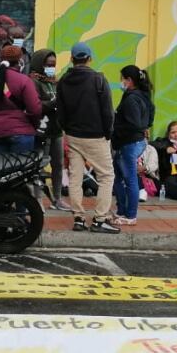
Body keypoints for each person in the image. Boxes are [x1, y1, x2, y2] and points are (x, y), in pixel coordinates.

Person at [57, 42, 118, 234]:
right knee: (106, 176)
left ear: (71, 59)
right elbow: (108, 111)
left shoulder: (64, 80)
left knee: (75, 177)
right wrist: (108, 133)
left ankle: (79, 218)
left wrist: (67, 130)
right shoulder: (99, 79)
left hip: (73, 136)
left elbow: (61, 112)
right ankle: (100, 219)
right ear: (89, 58)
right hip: (96, 136)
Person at [0, 45, 41, 155]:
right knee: (22, 170)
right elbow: (35, 109)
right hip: (22, 132)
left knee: (1, 170)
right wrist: (33, 124)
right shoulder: (24, 80)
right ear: (20, 60)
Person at [111, 65, 154, 225]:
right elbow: (150, 115)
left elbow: (133, 123)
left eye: (122, 79)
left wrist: (116, 127)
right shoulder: (143, 95)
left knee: (129, 179)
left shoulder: (131, 99)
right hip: (132, 142)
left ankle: (130, 215)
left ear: (129, 80)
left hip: (128, 143)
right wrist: (145, 127)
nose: (121, 82)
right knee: (120, 178)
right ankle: (122, 211)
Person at [30, 49, 66, 210]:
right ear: (39, 64)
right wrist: (54, 103)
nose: (51, 68)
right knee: (39, 166)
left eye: (54, 65)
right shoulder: (33, 82)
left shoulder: (54, 82)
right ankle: (37, 199)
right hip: (41, 130)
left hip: (57, 129)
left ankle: (57, 198)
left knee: (58, 164)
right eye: (48, 64)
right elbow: (37, 106)